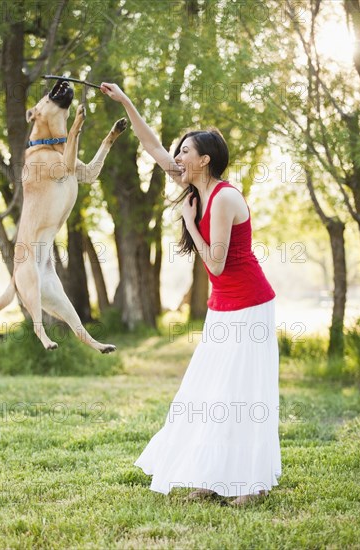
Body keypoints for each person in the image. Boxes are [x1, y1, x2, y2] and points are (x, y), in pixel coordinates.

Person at [100, 82, 282, 505]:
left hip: (251, 305)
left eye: (185, 151)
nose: (177, 156)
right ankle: (211, 477)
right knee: (209, 393)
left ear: (204, 160)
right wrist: (126, 100)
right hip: (223, 306)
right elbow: (151, 146)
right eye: (177, 151)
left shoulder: (221, 198)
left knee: (242, 394)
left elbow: (215, 264)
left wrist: (187, 218)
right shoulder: (195, 186)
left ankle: (250, 484)